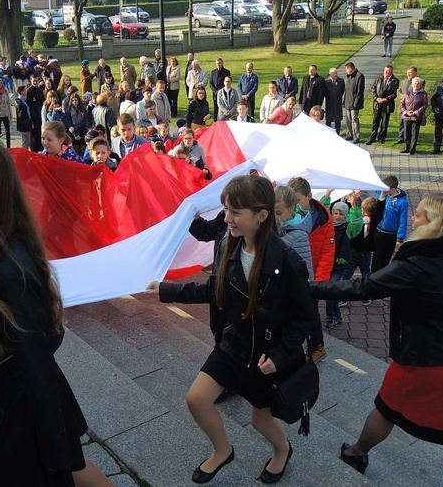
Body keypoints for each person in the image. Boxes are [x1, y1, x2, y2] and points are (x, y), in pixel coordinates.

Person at [0, 138, 112, 486]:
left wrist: (53, 444)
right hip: (15, 404)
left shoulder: (8, 272)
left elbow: (37, 359)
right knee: (76, 466)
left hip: (27, 414)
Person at [311, 192, 443, 487]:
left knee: (387, 408)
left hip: (427, 358)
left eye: (419, 215)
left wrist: (312, 288)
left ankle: (357, 453)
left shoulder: (417, 265)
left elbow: (362, 288)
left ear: (435, 223)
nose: (413, 218)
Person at [146, 175, 316, 485]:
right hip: (234, 345)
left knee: (260, 421)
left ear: (262, 216)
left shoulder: (288, 260)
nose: (227, 219)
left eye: (235, 212)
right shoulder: (229, 242)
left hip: (267, 358)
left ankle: (282, 450)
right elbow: (215, 288)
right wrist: (166, 290)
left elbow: (304, 317)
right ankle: (223, 450)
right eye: (226, 210)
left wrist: (280, 354)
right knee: (196, 399)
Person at [287, 176, 334, 362]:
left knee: (311, 313)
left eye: (297, 201)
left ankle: (317, 346)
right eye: (292, 202)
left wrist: (319, 283)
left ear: (309, 196)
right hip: (293, 273)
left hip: (312, 277)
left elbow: (327, 253)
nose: (295, 206)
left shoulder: (324, 219)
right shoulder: (291, 214)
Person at [323, 201, 362, 328]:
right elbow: (321, 210)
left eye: (341, 214)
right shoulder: (328, 225)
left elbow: (357, 223)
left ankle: (330, 316)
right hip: (328, 263)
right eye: (335, 213)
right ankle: (337, 315)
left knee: (331, 290)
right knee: (332, 291)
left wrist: (354, 208)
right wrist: (327, 196)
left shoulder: (348, 228)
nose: (338, 216)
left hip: (340, 266)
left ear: (346, 215)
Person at [371, 175, 408, 273]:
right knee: (376, 259)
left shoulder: (402, 202)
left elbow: (403, 221)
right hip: (378, 231)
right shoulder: (380, 193)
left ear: (393, 189)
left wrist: (400, 238)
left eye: (386, 189)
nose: (383, 191)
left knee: (385, 259)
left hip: (390, 234)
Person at [366, 65, 399, 145]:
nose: (386, 73)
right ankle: (372, 137)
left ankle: (382, 137)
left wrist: (386, 99)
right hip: (377, 104)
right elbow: (373, 88)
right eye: (385, 71)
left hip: (387, 105)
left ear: (391, 72)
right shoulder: (379, 78)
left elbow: (395, 93)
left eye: (388, 71)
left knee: (384, 123)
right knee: (375, 122)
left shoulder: (395, 81)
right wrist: (376, 98)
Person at [399, 77, 428, 156]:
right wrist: (406, 112)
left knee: (414, 134)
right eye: (415, 83)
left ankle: (412, 149)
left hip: (416, 117)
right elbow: (401, 104)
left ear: (420, 85)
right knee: (406, 133)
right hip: (407, 116)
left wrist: (416, 112)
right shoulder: (407, 93)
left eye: (418, 84)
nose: (416, 85)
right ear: (412, 84)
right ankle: (406, 148)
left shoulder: (423, 94)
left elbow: (424, 105)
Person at [396, 67, 423, 144]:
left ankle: (411, 139)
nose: (408, 74)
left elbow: (419, 92)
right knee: (401, 123)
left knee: (411, 126)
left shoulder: (420, 81)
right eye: (407, 72)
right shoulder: (404, 81)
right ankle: (401, 138)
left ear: (415, 73)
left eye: (410, 72)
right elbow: (398, 90)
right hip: (403, 106)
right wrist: (402, 96)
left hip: (412, 108)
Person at [343, 62, 365, 144]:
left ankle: (356, 136)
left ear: (350, 69)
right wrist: (344, 101)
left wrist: (356, 102)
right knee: (348, 119)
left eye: (346, 70)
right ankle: (349, 134)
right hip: (348, 101)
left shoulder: (359, 76)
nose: (346, 71)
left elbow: (360, 91)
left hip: (354, 103)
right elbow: (346, 91)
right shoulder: (349, 77)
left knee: (354, 119)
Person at [26, 75, 45, 151]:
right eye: (34, 81)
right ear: (31, 81)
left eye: (36, 81)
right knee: (35, 135)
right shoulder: (29, 91)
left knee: (40, 133)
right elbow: (28, 105)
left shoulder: (40, 91)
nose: (35, 82)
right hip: (33, 116)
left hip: (40, 115)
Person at [324, 68, 344, 134]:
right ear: (330, 74)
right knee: (328, 120)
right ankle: (328, 133)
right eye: (334, 73)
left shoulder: (341, 81)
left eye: (336, 73)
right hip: (329, 104)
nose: (335, 75)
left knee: (337, 120)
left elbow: (342, 91)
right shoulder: (326, 82)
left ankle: (337, 133)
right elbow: (324, 93)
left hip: (337, 103)